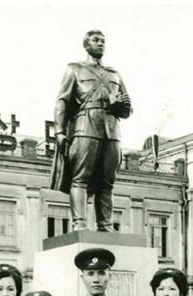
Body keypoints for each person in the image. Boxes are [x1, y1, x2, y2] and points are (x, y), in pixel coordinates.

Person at [52, 29, 132, 232]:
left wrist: (123, 106)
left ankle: (105, 224)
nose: (101, 44)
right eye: (96, 40)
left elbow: (127, 108)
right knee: (80, 178)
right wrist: (59, 132)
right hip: (85, 127)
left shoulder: (115, 74)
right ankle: (79, 223)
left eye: (103, 41)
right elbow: (62, 101)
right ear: (86, 44)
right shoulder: (75, 69)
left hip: (112, 131)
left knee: (107, 182)